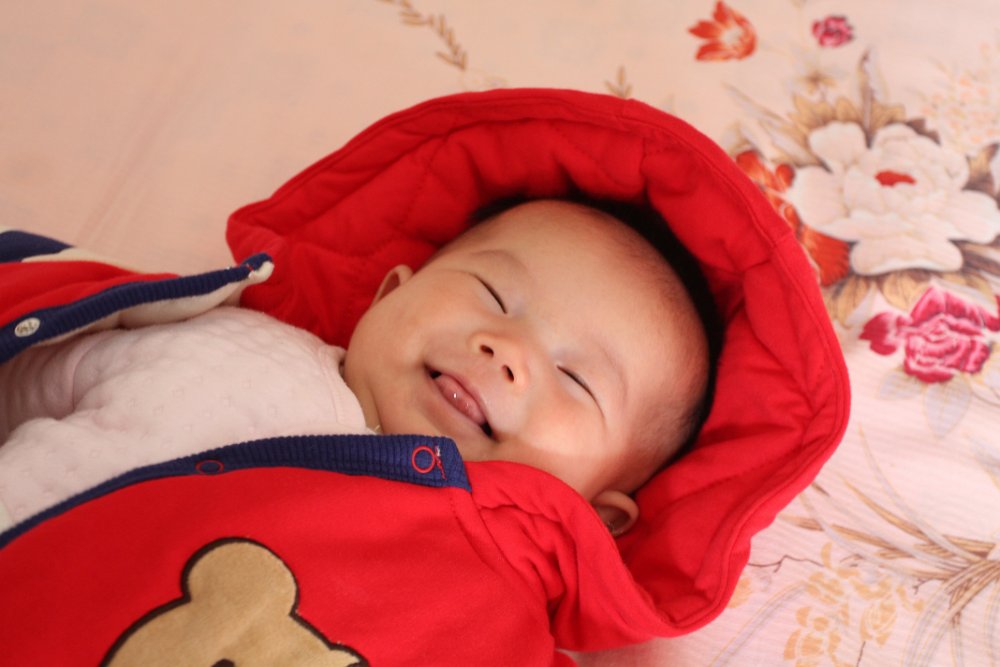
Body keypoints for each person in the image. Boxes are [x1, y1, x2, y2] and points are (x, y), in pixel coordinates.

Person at [0, 198, 713, 535]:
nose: (507, 349)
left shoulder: (490, 598)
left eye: (577, 378)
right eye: (492, 294)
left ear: (596, 517)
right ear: (389, 295)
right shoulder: (226, 344)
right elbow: (29, 371)